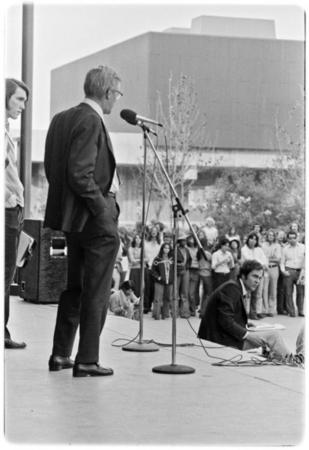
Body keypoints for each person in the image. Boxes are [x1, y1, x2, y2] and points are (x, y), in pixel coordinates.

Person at [44, 65, 122, 377]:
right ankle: (87, 359)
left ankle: (61, 354)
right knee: (97, 290)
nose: (117, 100)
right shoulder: (92, 120)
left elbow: (53, 168)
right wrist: (102, 209)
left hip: (73, 218)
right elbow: (80, 173)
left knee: (75, 286)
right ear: (106, 92)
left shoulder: (61, 119)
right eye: (116, 93)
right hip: (94, 216)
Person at [198, 260, 302, 364]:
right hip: (219, 341)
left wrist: (246, 323)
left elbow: (226, 315)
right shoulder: (231, 288)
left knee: (266, 334)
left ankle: (283, 357)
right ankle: (294, 361)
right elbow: (225, 320)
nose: (258, 281)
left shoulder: (235, 286)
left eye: (260, 278)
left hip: (222, 337)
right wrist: (247, 334)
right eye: (255, 276)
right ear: (243, 276)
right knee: (273, 336)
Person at [4, 78, 30, 349]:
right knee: (5, 274)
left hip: (12, 208)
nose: (23, 106)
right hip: (7, 210)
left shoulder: (7, 128)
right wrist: (10, 198)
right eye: (18, 99)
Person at [241, 232, 268, 319]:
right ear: (248, 239)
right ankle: (246, 312)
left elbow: (264, 260)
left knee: (257, 294)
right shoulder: (244, 249)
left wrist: (262, 264)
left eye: (255, 239)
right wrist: (259, 263)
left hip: (258, 273)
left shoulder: (259, 250)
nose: (253, 241)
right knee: (247, 294)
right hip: (249, 274)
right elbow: (249, 261)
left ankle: (254, 312)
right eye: (251, 238)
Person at [280, 231, 305, 317]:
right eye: (290, 238)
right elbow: (282, 262)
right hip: (289, 271)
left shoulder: (303, 247)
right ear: (287, 239)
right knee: (288, 293)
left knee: (301, 292)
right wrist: (283, 271)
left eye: (294, 238)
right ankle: (291, 312)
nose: (292, 240)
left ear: (297, 238)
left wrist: (304, 273)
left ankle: (301, 311)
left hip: (300, 272)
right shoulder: (285, 249)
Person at [261, 229, 282, 316]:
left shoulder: (277, 245)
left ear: (274, 236)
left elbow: (278, 260)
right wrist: (271, 257)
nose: (271, 236)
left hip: (274, 269)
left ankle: (271, 309)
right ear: (267, 236)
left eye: (272, 235)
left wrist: (267, 258)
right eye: (269, 235)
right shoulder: (263, 245)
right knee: (264, 289)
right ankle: (265, 309)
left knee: (273, 289)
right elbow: (262, 257)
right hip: (265, 269)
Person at [151, 242, 174, 319]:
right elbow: (153, 270)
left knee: (167, 298)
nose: (166, 249)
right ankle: (156, 315)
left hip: (169, 281)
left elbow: (175, 269)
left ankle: (165, 314)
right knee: (158, 298)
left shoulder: (172, 259)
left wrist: (172, 278)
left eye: (168, 248)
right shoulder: (157, 259)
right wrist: (158, 277)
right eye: (165, 248)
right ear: (162, 249)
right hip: (159, 282)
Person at [187, 234, 200, 316]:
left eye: (193, 239)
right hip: (188, 269)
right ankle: (186, 309)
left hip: (196, 270)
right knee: (186, 292)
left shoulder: (198, 248)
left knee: (192, 293)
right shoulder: (186, 248)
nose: (191, 241)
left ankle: (192, 309)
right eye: (190, 239)